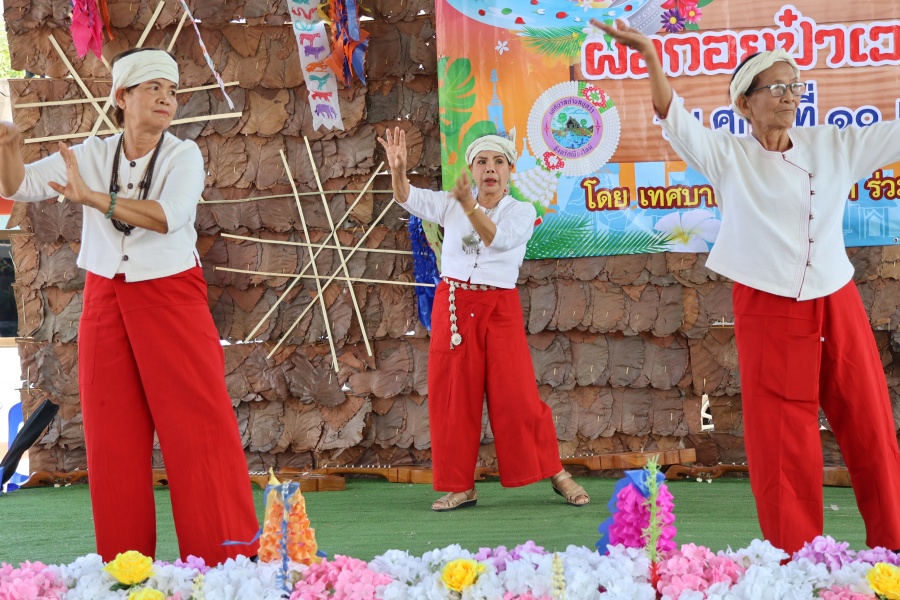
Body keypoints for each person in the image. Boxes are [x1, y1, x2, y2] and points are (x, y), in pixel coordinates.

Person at [591, 19, 900, 554]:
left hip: (836, 294)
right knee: (782, 435)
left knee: (869, 420)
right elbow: (673, 115)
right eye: (775, 87)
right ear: (744, 102)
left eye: (794, 86)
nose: (789, 95)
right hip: (768, 301)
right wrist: (650, 58)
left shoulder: (834, 144)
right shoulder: (728, 156)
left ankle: (893, 544)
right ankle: (796, 556)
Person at [0, 48, 260, 564]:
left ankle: (227, 560)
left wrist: (94, 199)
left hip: (172, 295)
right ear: (122, 97)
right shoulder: (93, 154)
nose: (166, 99)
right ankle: (126, 564)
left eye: (172, 90)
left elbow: (169, 215)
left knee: (198, 427)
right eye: (153, 88)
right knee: (111, 431)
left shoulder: (184, 155)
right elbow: (19, 184)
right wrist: (8, 148)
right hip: (105, 299)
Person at [378, 127, 590, 511]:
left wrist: (469, 206)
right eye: (481, 162)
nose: (490, 169)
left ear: (510, 170)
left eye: (498, 162)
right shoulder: (451, 203)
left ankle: (557, 473)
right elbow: (407, 197)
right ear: (472, 169)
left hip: (499, 308)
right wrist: (397, 171)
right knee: (453, 397)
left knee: (519, 397)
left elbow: (498, 239)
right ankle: (461, 486)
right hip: (454, 306)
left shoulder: (521, 211)